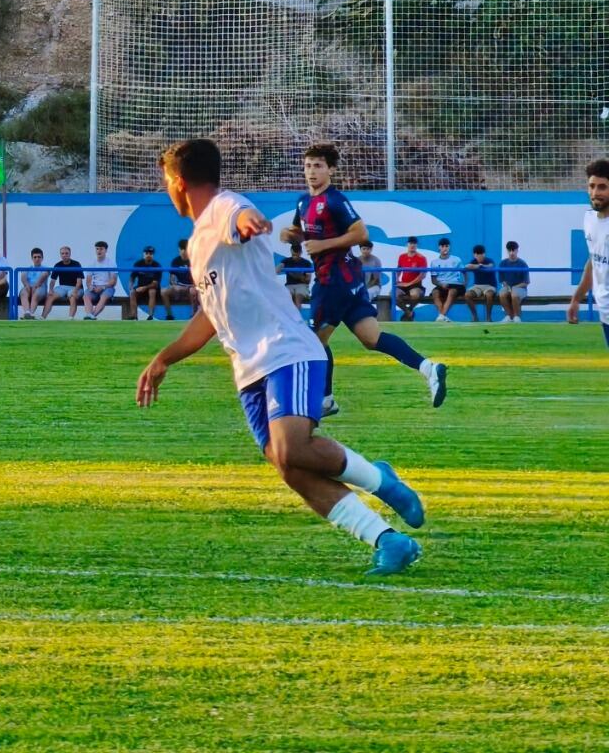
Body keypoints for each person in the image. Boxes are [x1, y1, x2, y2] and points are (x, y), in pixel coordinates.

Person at [137, 138, 425, 577]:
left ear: (177, 181)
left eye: (166, 182)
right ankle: (387, 541)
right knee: (286, 463)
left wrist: (252, 221)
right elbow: (208, 318)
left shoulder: (224, 207)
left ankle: (380, 479)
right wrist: (163, 359)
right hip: (248, 368)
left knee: (293, 446)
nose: (166, 190)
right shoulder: (198, 243)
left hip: (286, 350)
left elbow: (240, 215)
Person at [279, 144, 445, 416]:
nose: (312, 171)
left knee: (312, 342)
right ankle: (429, 368)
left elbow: (360, 233)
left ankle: (325, 400)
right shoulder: (303, 201)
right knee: (371, 338)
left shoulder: (334, 200)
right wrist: (291, 235)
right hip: (347, 279)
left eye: (318, 165)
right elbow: (302, 230)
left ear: (331, 169)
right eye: (308, 165)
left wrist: (323, 246)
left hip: (333, 281)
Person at [566, 157, 609, 345]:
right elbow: (594, 262)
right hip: (605, 312)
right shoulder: (589, 220)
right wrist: (576, 299)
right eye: (592, 186)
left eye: (602, 187)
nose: (595, 192)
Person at [427, 237, 465, 323]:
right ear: (439, 247)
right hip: (442, 285)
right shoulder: (434, 262)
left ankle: (441, 315)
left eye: (447, 246)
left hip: (455, 284)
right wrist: (441, 284)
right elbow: (434, 280)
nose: (445, 248)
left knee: (452, 291)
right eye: (443, 246)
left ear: (449, 247)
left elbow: (464, 272)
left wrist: (464, 284)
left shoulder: (456, 259)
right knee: (435, 292)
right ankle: (443, 316)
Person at [44, 246, 83, 318]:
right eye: (62, 253)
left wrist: (75, 291)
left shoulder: (76, 264)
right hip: (62, 287)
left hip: (76, 287)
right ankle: (42, 317)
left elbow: (79, 281)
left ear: (70, 254)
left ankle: (70, 318)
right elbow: (52, 280)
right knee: (50, 296)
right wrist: (50, 290)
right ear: (60, 255)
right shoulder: (57, 265)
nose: (64, 255)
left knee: (72, 296)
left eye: (66, 253)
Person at [395, 237, 427, 321]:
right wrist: (397, 279)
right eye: (410, 243)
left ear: (417, 245)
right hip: (403, 284)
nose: (412, 245)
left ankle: (409, 311)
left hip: (416, 285)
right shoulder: (402, 257)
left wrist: (410, 283)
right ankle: (408, 312)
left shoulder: (421, 258)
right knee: (393, 293)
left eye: (414, 243)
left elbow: (422, 275)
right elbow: (398, 269)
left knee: (415, 295)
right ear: (407, 245)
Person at [83, 241, 117, 319]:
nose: (99, 251)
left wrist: (102, 287)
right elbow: (88, 281)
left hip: (107, 288)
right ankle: (89, 315)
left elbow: (113, 281)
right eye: (97, 249)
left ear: (106, 250)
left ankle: (92, 316)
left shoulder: (111, 263)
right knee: (86, 296)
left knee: (104, 297)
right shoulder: (91, 263)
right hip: (94, 287)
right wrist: (91, 287)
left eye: (101, 249)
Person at [464, 244, 498, 323]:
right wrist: (479, 266)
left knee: (489, 295)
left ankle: (488, 318)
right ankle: (475, 317)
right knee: (467, 295)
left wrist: (480, 266)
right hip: (477, 286)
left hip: (490, 286)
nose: (479, 257)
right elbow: (467, 266)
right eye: (477, 255)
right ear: (474, 255)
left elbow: (491, 266)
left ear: (484, 254)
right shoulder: (473, 261)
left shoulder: (489, 260)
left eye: (481, 255)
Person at [497, 241, 530, 324]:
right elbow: (502, 280)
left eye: (513, 250)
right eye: (509, 250)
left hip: (521, 288)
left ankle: (517, 317)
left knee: (514, 295)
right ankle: (508, 316)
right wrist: (507, 287)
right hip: (508, 287)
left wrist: (515, 288)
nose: (511, 253)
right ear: (507, 251)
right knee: (502, 294)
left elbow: (526, 282)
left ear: (517, 251)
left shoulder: (523, 264)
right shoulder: (502, 263)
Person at [165, 238, 196, 320]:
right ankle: (169, 315)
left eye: (185, 249)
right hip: (180, 286)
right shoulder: (175, 261)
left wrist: (196, 286)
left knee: (193, 291)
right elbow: (171, 277)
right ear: (179, 250)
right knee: (163, 292)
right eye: (181, 249)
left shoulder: (194, 260)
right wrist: (173, 285)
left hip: (192, 286)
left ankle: (193, 315)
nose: (183, 251)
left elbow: (199, 277)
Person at [130, 245, 164, 320]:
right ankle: (134, 316)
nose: (148, 255)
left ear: (153, 255)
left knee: (152, 291)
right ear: (143, 254)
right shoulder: (138, 264)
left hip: (152, 288)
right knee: (132, 292)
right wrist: (131, 285)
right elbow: (132, 277)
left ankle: (150, 316)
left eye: (150, 254)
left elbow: (155, 284)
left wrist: (144, 288)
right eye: (146, 253)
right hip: (140, 287)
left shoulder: (157, 266)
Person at [279, 243, 313, 313]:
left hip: (302, 285)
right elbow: (279, 267)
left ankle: (296, 321)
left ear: (300, 253)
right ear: (291, 251)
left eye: (296, 255)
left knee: (298, 299)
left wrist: (299, 276)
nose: (295, 257)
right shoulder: (286, 261)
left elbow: (308, 280)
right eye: (293, 255)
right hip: (289, 286)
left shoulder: (306, 263)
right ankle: (290, 320)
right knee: (288, 298)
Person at [18, 248, 51, 318]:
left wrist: (35, 286)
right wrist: (27, 285)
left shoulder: (46, 268)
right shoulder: (28, 268)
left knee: (36, 293)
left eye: (39, 257)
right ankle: (27, 312)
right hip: (28, 287)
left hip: (40, 287)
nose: (37, 259)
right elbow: (23, 276)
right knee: (23, 293)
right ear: (32, 258)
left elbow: (44, 275)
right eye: (35, 257)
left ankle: (31, 313)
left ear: (42, 258)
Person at [359, 241, 386, 315]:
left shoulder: (376, 261)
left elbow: (376, 279)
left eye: (368, 249)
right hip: (360, 287)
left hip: (374, 286)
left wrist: (365, 289)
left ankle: (366, 314)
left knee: (366, 294)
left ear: (371, 250)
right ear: (360, 249)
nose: (366, 251)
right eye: (364, 249)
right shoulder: (357, 261)